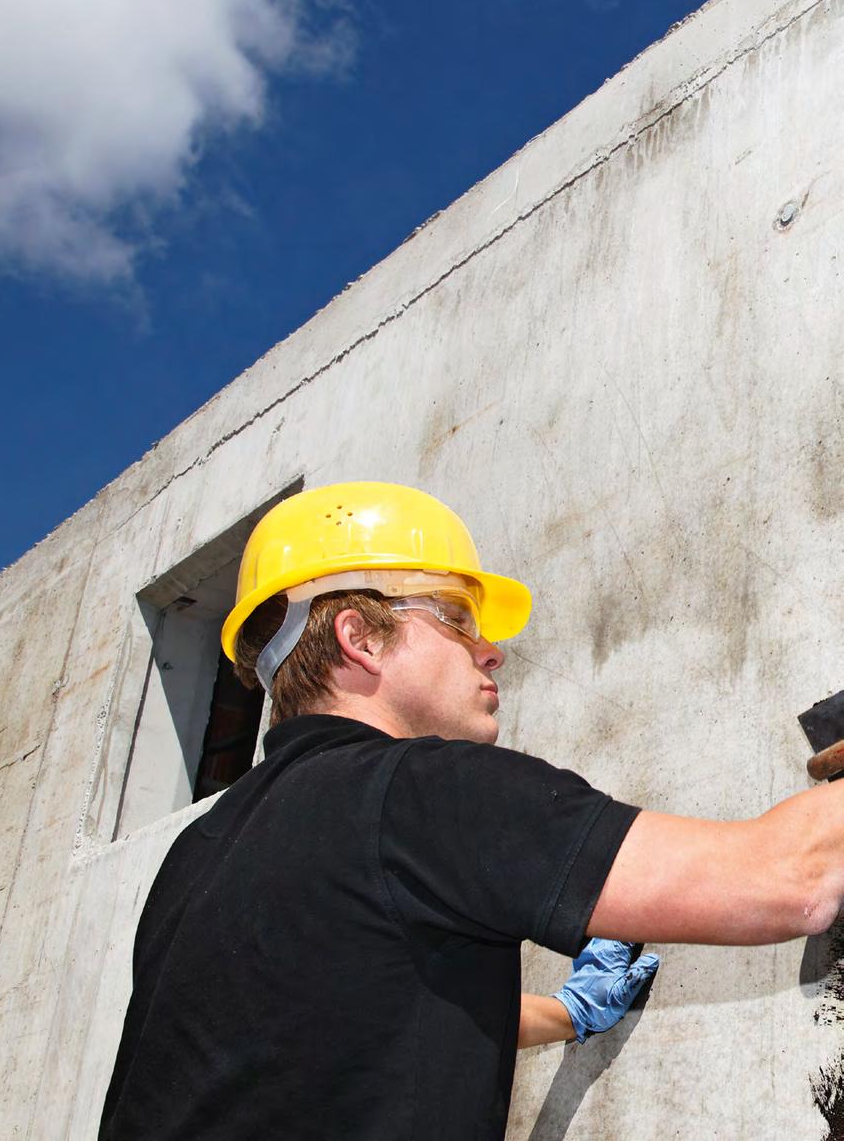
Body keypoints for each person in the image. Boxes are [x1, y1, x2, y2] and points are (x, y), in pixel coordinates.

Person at [99, 482, 843, 1139]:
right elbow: (788, 879)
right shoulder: (416, 792)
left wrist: (574, 1012)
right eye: (456, 615)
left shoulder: (199, 856)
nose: (492, 651)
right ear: (358, 636)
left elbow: (349, 1025)